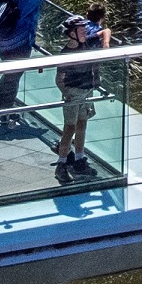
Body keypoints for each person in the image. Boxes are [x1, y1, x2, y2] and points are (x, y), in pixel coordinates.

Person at [0, 0, 51, 119]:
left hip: (2, 39)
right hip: (19, 42)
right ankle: (2, 111)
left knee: (10, 74)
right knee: (13, 76)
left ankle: (4, 107)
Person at [55, 11, 106, 175]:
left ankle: (79, 158)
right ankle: (61, 164)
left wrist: (105, 45)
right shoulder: (66, 54)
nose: (85, 32)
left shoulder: (86, 44)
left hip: (86, 91)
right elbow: (59, 78)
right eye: (81, 30)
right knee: (69, 128)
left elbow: (105, 31)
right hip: (74, 93)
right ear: (72, 34)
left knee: (82, 125)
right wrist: (66, 93)